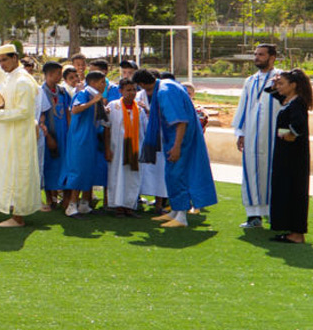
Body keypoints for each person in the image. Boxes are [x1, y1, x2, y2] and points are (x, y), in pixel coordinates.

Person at [135, 69, 216, 227]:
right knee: (171, 173)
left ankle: (181, 216)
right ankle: (175, 210)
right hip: (176, 137)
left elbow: (180, 120)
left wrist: (177, 146)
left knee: (177, 174)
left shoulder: (164, 92)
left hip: (179, 139)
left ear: (142, 84)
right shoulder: (167, 84)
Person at [0, 44, 41, 227]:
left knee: (20, 173)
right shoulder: (11, 78)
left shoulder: (23, 81)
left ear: (15, 58)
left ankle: (18, 217)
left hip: (19, 136)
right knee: (2, 171)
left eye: (5, 60)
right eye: (0, 61)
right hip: (7, 134)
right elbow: (5, 103)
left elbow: (24, 112)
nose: (2, 64)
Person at [232, 43, 281, 229]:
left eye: (261, 54)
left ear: (272, 57)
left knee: (273, 173)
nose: (257, 58)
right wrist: (241, 133)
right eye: (255, 54)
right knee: (251, 172)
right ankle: (254, 215)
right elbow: (243, 106)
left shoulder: (280, 78)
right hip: (252, 136)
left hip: (274, 135)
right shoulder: (250, 81)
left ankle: (275, 213)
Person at [268, 69, 310, 244]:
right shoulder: (289, 100)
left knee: (295, 191)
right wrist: (275, 82)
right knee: (285, 189)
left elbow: (299, 124)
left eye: (282, 84)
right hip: (286, 154)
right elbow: (271, 93)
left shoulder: (297, 103)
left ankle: (297, 233)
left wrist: (289, 134)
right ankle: (290, 229)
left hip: (293, 156)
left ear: (293, 86)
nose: (278, 87)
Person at [61, 70, 110, 215]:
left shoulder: (96, 97)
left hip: (91, 137)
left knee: (88, 169)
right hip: (79, 138)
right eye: (102, 82)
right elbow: (75, 109)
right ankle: (71, 205)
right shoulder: (83, 94)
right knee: (78, 169)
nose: (104, 85)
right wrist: (92, 102)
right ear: (93, 83)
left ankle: (84, 204)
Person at [104, 78, 147, 216]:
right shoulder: (113, 106)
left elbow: (144, 131)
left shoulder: (139, 110)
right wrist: (107, 149)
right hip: (117, 149)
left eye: (134, 89)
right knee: (117, 176)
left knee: (133, 177)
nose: (132, 93)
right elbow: (106, 128)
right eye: (128, 90)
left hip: (134, 149)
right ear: (120, 91)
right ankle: (117, 206)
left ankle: (130, 206)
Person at [37, 62, 69, 212]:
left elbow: (68, 112)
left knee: (62, 165)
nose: (60, 77)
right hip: (48, 134)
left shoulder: (62, 92)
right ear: (49, 74)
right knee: (48, 166)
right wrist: (48, 135)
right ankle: (50, 198)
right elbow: (41, 115)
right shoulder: (40, 92)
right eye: (58, 73)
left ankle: (62, 196)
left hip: (63, 134)